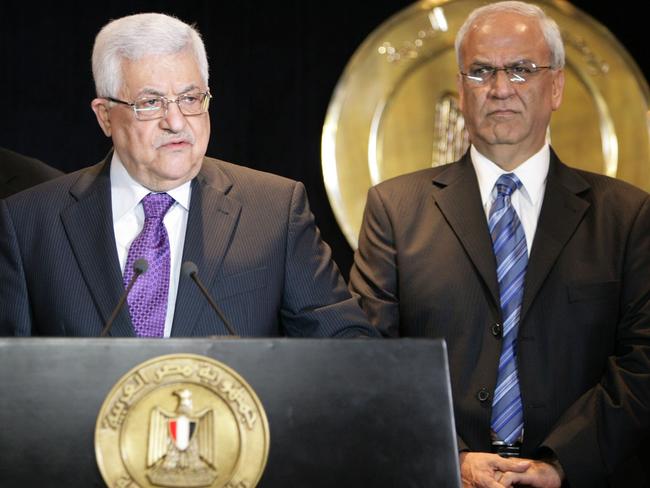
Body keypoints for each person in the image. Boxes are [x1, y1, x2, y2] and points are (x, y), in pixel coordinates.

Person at [349, 2, 649, 487]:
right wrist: (455, 458)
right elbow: (371, 361)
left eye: (522, 70)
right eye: (481, 71)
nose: (501, 88)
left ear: (556, 87)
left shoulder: (627, 215)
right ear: (462, 89)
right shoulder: (395, 209)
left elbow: (643, 363)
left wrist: (560, 464)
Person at [0, 13, 376, 339]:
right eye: (150, 103)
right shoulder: (29, 222)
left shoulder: (275, 210)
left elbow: (345, 346)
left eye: (190, 98)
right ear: (105, 116)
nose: (176, 122)